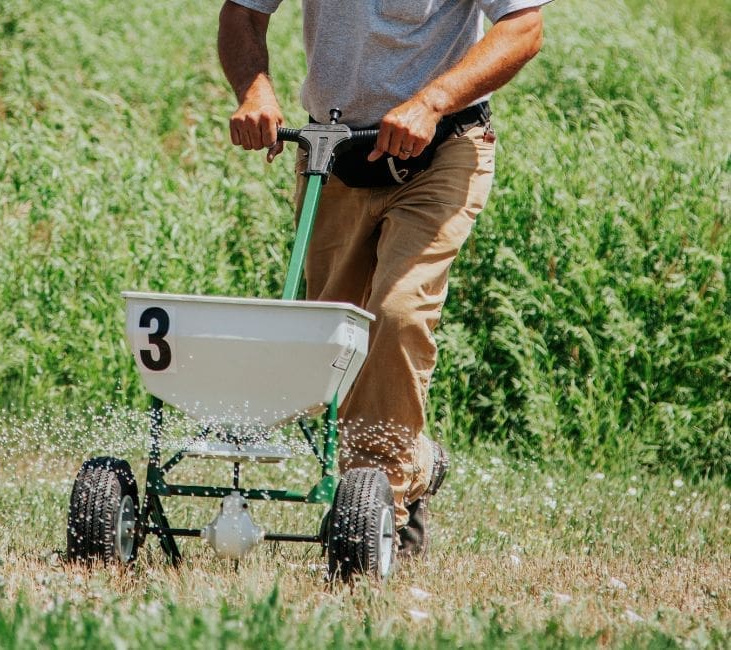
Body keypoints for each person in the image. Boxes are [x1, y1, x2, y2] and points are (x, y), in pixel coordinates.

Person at [218, 1, 548, 556]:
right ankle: (416, 460)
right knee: (333, 344)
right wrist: (255, 92)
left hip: (441, 149)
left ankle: (379, 514)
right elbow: (243, 13)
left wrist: (431, 102)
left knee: (397, 312)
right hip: (333, 154)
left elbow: (524, 27)